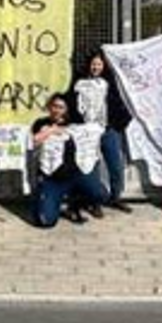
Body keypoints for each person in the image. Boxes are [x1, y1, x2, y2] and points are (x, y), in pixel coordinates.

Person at [31, 93, 108, 227]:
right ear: (49, 107)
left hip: (77, 175)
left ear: (66, 109)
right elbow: (35, 141)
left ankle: (76, 203)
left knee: (101, 194)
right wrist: (51, 131)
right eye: (54, 106)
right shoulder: (41, 123)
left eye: (61, 107)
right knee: (45, 221)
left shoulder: (76, 124)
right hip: (53, 178)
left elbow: (95, 132)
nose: (56, 110)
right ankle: (50, 201)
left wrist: (65, 130)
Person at [72, 50, 134, 214]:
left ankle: (116, 197)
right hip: (88, 132)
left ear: (104, 65)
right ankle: (94, 201)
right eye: (93, 64)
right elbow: (73, 105)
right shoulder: (79, 82)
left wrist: (117, 124)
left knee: (116, 164)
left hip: (108, 129)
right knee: (92, 165)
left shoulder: (110, 82)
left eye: (99, 64)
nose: (95, 67)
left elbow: (119, 103)